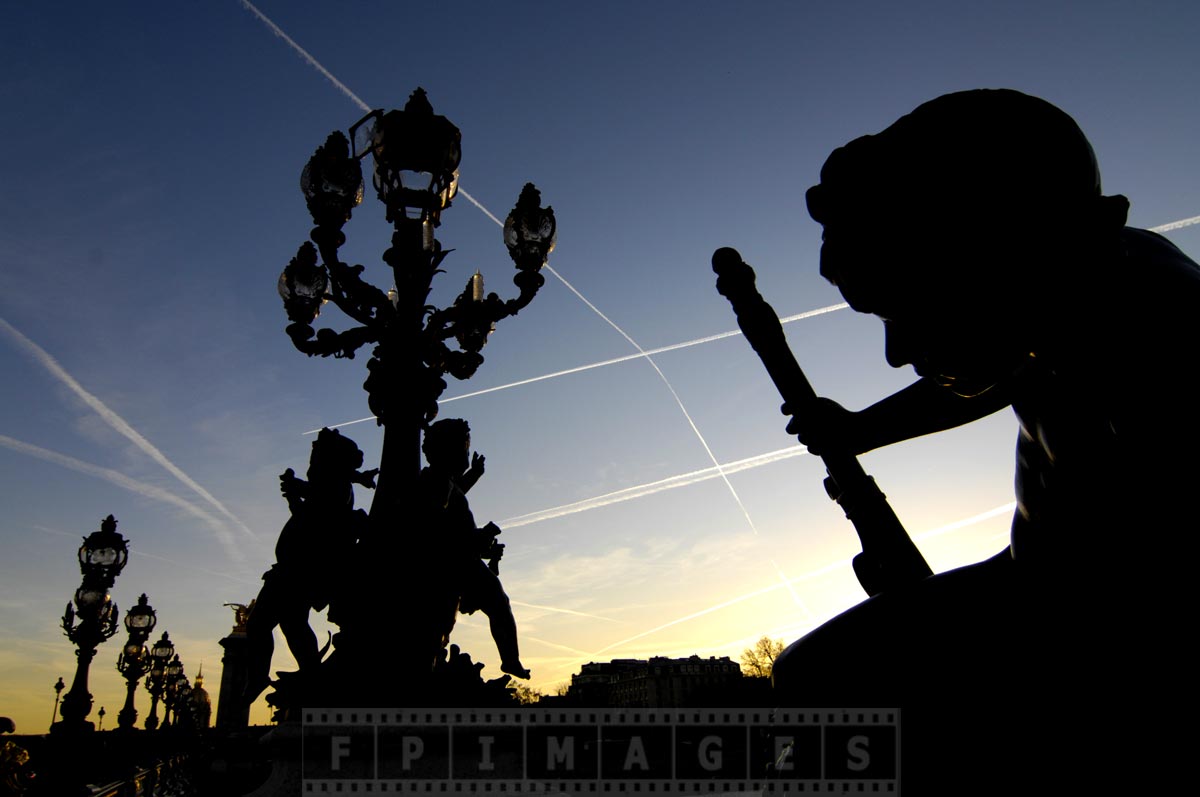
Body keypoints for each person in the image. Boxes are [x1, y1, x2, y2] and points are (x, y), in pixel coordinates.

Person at [769, 89, 1197, 781]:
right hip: (1042, 588)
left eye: (905, 305)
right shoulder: (1053, 311)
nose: (896, 350)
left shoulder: (1160, 339)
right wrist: (861, 427)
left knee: (821, 682)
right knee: (810, 677)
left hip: (1089, 626)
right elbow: (988, 380)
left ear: (993, 250)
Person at [244, 427, 376, 701]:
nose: (311, 462)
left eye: (316, 456)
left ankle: (266, 675)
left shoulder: (333, 488)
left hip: (299, 570)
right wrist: (296, 493)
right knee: (292, 623)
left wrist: (296, 491)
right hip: (299, 568)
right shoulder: (334, 485)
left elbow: (317, 514)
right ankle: (310, 676)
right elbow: (311, 511)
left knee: (263, 624)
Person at [419, 419, 531, 679]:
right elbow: (437, 527)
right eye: (465, 449)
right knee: (496, 604)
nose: (467, 455)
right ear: (447, 451)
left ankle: (510, 659)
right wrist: (479, 537)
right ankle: (510, 660)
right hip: (452, 564)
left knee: (496, 603)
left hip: (460, 559)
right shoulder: (437, 483)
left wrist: (476, 474)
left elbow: (457, 492)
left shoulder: (442, 481)